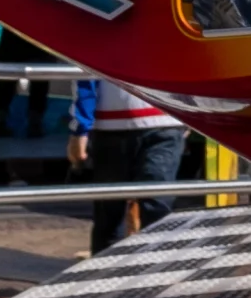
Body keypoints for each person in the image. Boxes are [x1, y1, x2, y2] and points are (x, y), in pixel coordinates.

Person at [67, 71, 188, 253]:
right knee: (146, 207)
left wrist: (80, 130)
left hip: (141, 124)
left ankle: (115, 272)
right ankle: (120, 272)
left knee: (120, 210)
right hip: (150, 123)